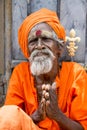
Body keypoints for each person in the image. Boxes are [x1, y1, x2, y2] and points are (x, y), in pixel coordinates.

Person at [0, 8, 87, 130]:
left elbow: (83, 128)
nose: (39, 46)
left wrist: (57, 115)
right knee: (7, 114)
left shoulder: (76, 74)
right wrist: (38, 115)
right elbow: (10, 121)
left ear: (59, 48)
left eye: (46, 39)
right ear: (28, 51)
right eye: (33, 41)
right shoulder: (21, 73)